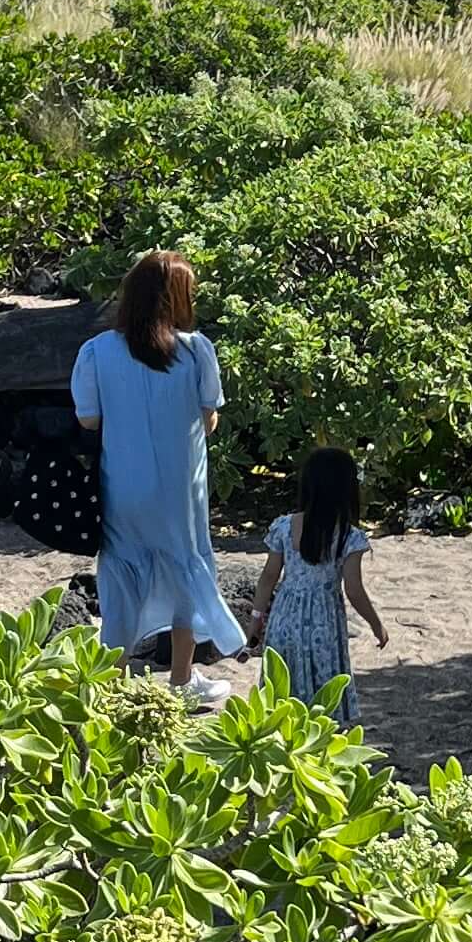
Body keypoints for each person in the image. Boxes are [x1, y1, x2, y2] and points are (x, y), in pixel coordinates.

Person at [71, 252, 244, 710]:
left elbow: (88, 420)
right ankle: (182, 680)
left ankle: (113, 680)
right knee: (186, 566)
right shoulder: (195, 349)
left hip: (123, 485)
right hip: (181, 489)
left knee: (122, 572)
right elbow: (208, 419)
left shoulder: (96, 351)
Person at [244, 446, 387, 713]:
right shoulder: (349, 535)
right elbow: (354, 590)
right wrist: (376, 624)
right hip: (324, 622)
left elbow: (268, 578)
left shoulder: (284, 526)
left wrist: (255, 619)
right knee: (323, 690)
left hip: (284, 618)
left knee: (281, 689)